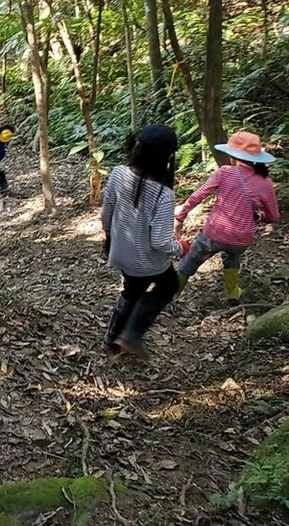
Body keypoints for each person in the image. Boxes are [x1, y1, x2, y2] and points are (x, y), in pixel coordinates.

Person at [101, 124, 190, 359]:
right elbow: (160, 242)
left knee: (131, 291)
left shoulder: (118, 173)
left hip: (120, 253)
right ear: (167, 158)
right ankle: (130, 334)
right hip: (147, 262)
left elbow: (106, 214)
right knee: (168, 286)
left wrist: (110, 238)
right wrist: (181, 248)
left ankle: (111, 340)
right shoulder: (163, 194)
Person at [174, 131, 279, 304]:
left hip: (214, 233)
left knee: (192, 258)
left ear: (234, 156)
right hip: (241, 240)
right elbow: (273, 216)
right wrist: (260, 215)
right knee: (232, 257)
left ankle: (172, 293)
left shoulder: (225, 173)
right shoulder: (266, 182)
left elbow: (198, 196)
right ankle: (232, 294)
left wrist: (180, 218)